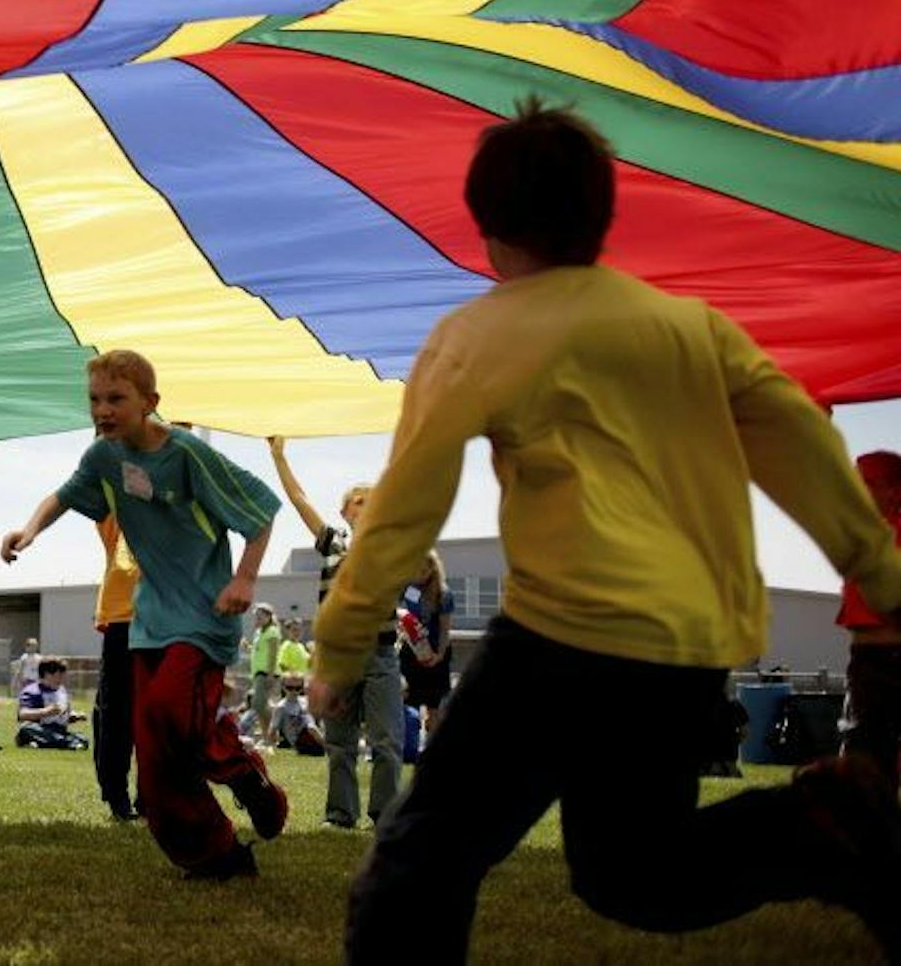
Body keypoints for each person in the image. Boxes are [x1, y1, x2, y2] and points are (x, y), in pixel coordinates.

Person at [310, 100, 901, 958]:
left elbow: (403, 508)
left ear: (486, 229)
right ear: (604, 216)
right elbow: (808, 451)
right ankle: (824, 820)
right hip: (683, 648)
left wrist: (337, 642)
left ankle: (827, 818)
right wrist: (884, 581)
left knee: (420, 864)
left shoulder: (476, 334)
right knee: (635, 871)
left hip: (561, 637)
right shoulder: (693, 329)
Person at [2, 350, 286, 880]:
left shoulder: (186, 455)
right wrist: (29, 531)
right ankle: (213, 854)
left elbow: (260, 510)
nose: (102, 410)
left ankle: (249, 777)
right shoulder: (103, 458)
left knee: (168, 713)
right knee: (155, 744)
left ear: (149, 403)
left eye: (115, 399)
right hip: (150, 616)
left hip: (203, 614)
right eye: (94, 400)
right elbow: (63, 496)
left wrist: (244, 578)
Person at [268, 435, 402, 828]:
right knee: (340, 744)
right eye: (359, 500)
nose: (367, 505)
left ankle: (386, 816)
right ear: (344, 512)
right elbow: (298, 497)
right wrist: (278, 456)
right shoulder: (332, 545)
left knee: (387, 743)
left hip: (380, 656)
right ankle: (341, 815)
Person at [838, 450, 901, 794]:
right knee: (864, 754)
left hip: (889, 659)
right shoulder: (858, 528)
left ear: (894, 491)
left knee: (870, 751)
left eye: (866, 483)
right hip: (866, 663)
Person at [92, 512, 142, 821]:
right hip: (122, 624)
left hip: (165, 625)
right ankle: (117, 794)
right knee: (116, 716)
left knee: (155, 716)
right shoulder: (119, 526)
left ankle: (151, 796)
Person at [397, 551, 457, 740]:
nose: (420, 573)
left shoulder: (443, 593)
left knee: (434, 707)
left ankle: (434, 749)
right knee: (408, 702)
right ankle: (410, 745)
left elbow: (445, 628)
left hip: (436, 655)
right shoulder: (410, 589)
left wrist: (439, 654)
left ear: (433, 569)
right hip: (412, 652)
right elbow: (398, 611)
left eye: (425, 569)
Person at [15, 658, 88, 750]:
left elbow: (60, 717)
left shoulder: (62, 691)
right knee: (26, 729)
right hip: (40, 729)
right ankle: (65, 743)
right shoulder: (33, 691)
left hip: (58, 730)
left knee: (83, 739)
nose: (62, 678)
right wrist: (46, 711)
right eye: (59, 674)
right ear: (47, 674)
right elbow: (23, 714)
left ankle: (44, 743)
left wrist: (75, 716)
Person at [245, 606, 281, 748]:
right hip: (258, 673)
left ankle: (270, 737)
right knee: (260, 706)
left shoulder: (273, 632)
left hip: (267, 674)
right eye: (256, 616)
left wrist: (270, 675)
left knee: (260, 705)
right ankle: (268, 738)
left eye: (260, 616)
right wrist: (247, 647)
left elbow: (273, 654)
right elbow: (257, 651)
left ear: (268, 616)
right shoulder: (258, 632)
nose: (257, 619)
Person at [271, 679, 324, 756]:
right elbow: (273, 729)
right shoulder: (281, 707)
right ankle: (328, 746)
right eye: (290, 688)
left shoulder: (304, 701)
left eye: (297, 688)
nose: (294, 692)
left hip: (312, 735)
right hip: (300, 740)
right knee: (311, 728)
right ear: (283, 688)